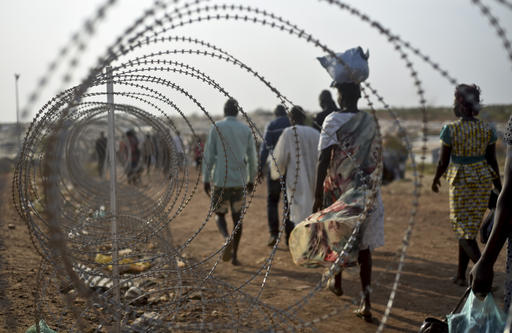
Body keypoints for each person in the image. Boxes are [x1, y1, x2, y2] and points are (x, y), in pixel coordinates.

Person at [289, 83, 384, 322]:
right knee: (363, 248)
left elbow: (324, 158)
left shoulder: (333, 119)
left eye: (339, 92)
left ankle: (337, 281)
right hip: (365, 188)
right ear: (360, 94)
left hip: (340, 188)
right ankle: (365, 301)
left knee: (335, 233)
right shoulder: (370, 121)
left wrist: (318, 194)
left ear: (341, 95)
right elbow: (376, 155)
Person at [432, 84, 501, 287]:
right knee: (468, 229)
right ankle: (461, 275)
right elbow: (492, 160)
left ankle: (483, 270)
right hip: (482, 180)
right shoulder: (488, 129)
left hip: (460, 181)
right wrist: (499, 186)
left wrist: (436, 178)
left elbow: (443, 161)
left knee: (461, 230)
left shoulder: (451, 130)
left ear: (459, 105)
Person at [202, 98, 257, 266]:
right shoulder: (245, 130)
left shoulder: (216, 127)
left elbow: (209, 155)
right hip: (239, 180)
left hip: (220, 179)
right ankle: (234, 256)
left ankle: (226, 238)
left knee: (219, 213)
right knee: (237, 219)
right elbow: (252, 158)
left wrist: (205, 178)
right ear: (237, 112)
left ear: (224, 111)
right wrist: (251, 178)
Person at [470, 114, 512, 309]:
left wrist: (486, 261)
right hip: (479, 184)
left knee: (464, 232)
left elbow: (511, 192)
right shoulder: (486, 129)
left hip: (464, 185)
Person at [270, 106, 320, 246]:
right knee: (312, 209)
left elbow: (278, 159)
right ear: (304, 118)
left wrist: (277, 173)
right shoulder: (315, 133)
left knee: (292, 209)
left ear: (291, 118)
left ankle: (293, 242)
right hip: (314, 178)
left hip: (295, 179)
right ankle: (312, 242)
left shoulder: (288, 133)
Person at [258, 104, 291, 247]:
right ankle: (289, 236)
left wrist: (260, 167)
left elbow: (265, 147)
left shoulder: (271, 125)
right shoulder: (291, 124)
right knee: (288, 202)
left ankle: (273, 234)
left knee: (272, 201)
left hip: (275, 167)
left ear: (275, 114)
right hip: (290, 167)